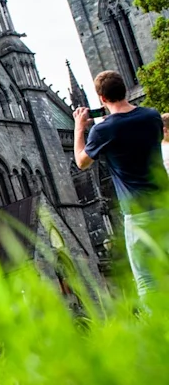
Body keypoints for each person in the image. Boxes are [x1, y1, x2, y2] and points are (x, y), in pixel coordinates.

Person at [74, 71, 169, 303]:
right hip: (165, 203)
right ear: (125, 90)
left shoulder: (103, 130)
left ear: (102, 99)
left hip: (138, 214)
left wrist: (80, 128)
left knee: (146, 279)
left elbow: (81, 162)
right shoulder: (152, 116)